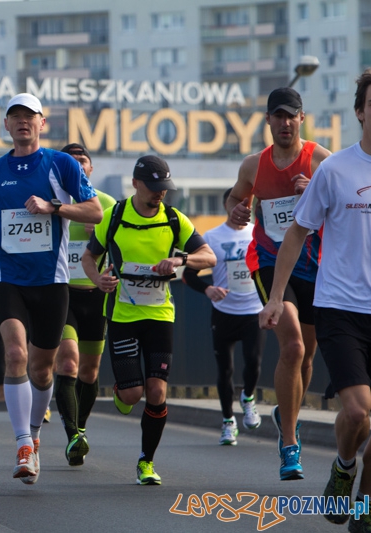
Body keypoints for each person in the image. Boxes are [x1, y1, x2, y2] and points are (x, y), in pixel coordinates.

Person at [0, 94, 103, 484]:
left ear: (42, 124)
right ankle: (23, 443)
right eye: (15, 117)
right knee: (14, 354)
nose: (23, 122)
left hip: (52, 281)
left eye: (30, 116)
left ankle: (37, 436)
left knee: (43, 371)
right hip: (8, 276)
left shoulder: (61, 164)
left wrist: (53, 208)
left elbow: (95, 212)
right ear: (6, 126)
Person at [259, 70, 371, 530]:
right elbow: (296, 232)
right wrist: (276, 296)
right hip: (342, 306)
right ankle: (344, 467)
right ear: (361, 111)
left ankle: (363, 503)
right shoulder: (335, 169)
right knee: (359, 412)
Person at [81, 155, 216, 485]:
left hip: (159, 314)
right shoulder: (114, 216)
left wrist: (181, 259)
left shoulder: (174, 220)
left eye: (165, 188)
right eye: (154, 188)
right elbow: (89, 257)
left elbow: (209, 256)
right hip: (123, 315)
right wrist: (98, 281)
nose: (160, 194)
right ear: (136, 184)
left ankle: (146, 461)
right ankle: (121, 391)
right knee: (132, 395)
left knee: (156, 391)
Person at [226, 87, 331, 480]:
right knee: (293, 346)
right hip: (270, 264)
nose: (285, 123)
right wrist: (236, 210)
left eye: (292, 116)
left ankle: (287, 414)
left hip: (316, 267)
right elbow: (236, 199)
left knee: (306, 357)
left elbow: (347, 213)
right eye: (278, 116)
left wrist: (316, 194)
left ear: (302, 119)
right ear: (268, 120)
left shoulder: (322, 161)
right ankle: (289, 442)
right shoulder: (254, 166)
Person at [183, 188, 266, 445]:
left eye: (247, 205)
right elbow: (188, 275)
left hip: (253, 311)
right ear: (227, 206)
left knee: (253, 362)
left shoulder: (257, 234)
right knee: (225, 369)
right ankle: (228, 422)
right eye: (237, 204)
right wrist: (208, 289)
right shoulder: (212, 237)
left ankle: (248, 398)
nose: (243, 209)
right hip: (224, 312)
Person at [53, 143, 116, 466]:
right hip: (63, 294)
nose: (78, 166)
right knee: (68, 363)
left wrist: (101, 238)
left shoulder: (106, 206)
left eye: (83, 161)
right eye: (71, 162)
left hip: (97, 296)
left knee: (90, 373)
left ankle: (80, 425)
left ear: (91, 169)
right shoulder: (53, 204)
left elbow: (125, 252)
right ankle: (73, 435)